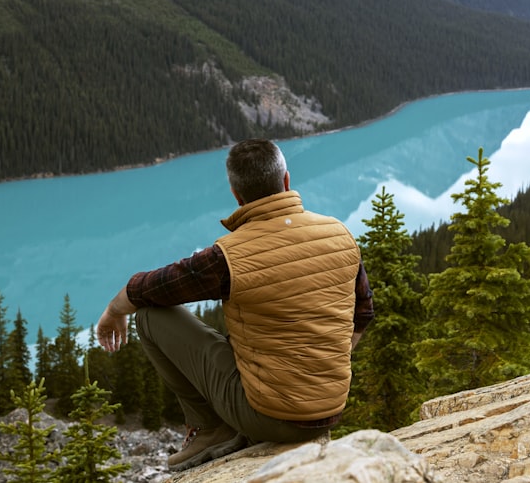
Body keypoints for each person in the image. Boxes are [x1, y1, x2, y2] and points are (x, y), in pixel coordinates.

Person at [95, 139, 374, 471]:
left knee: (149, 317)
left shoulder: (228, 256)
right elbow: (363, 314)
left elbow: (153, 288)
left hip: (267, 416)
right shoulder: (338, 233)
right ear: (286, 181)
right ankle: (236, 424)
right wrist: (317, 369)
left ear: (236, 195)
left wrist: (113, 310)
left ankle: (209, 429)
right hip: (330, 409)